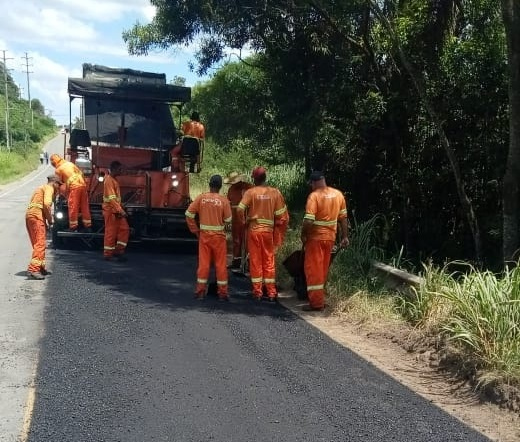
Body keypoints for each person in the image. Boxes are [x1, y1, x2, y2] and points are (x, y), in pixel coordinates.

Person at [237, 166, 289, 301]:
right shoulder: (275, 193)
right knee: (268, 261)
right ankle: (271, 292)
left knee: (255, 261)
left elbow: (239, 209)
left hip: (254, 231)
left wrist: (244, 222)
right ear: (265, 178)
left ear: (254, 179)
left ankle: (257, 292)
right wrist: (275, 228)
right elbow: (281, 216)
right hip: (268, 233)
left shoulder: (251, 192)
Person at [300, 171, 349, 311]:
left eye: (311, 184)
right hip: (330, 238)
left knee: (313, 270)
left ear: (313, 182)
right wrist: (345, 236)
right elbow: (343, 218)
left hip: (315, 239)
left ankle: (316, 304)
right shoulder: (338, 194)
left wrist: (303, 234)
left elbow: (309, 220)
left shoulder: (314, 196)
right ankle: (320, 298)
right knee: (322, 270)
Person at [185, 175, 232, 301]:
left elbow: (189, 214)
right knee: (220, 265)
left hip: (204, 236)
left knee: (204, 264)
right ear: (220, 186)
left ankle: (200, 292)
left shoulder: (201, 198)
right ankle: (222, 294)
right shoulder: (224, 200)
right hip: (219, 238)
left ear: (209, 184)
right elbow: (228, 220)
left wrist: (195, 230)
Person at [25, 175, 62, 279]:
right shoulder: (49, 188)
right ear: (54, 183)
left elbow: (38, 205)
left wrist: (45, 222)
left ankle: (40, 266)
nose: (58, 188)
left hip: (30, 215)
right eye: (58, 185)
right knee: (40, 243)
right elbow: (46, 204)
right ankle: (34, 269)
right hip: (36, 216)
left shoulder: (40, 188)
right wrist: (50, 220)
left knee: (37, 243)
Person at [50, 153, 92, 232]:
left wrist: (57, 194)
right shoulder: (70, 163)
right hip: (83, 185)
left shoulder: (58, 170)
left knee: (73, 206)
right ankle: (88, 226)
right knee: (84, 206)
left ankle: (73, 227)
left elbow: (59, 184)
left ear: (54, 163)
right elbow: (81, 173)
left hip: (74, 187)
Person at [224, 171, 253, 269]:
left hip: (247, 218)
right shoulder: (231, 189)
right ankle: (236, 261)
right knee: (236, 240)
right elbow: (228, 203)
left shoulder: (249, 188)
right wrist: (227, 218)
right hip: (235, 219)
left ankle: (248, 263)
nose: (233, 184)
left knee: (248, 241)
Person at [102, 161, 130, 262]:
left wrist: (121, 208)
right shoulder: (109, 180)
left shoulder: (113, 180)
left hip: (116, 211)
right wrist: (121, 211)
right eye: (119, 169)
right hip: (111, 211)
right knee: (111, 233)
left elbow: (115, 199)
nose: (121, 171)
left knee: (125, 229)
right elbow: (112, 199)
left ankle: (118, 251)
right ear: (114, 169)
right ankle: (108, 255)